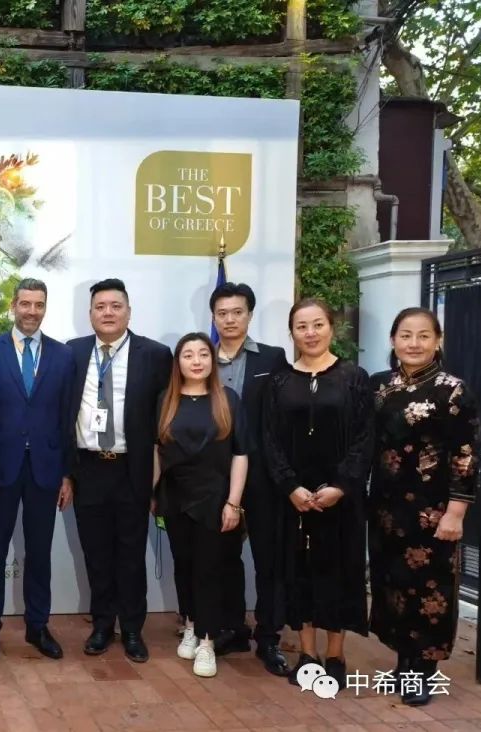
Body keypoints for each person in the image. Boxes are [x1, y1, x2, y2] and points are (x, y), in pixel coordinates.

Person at [369, 307, 479, 706]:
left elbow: (465, 455)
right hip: (386, 507)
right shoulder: (380, 386)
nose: (413, 343)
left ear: (438, 340)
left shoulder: (454, 391)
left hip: (433, 511)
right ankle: (404, 662)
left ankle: (424, 670)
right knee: (392, 584)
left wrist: (456, 512)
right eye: (405, 335)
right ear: (393, 339)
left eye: (423, 336)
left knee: (430, 588)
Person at [262, 297, 373, 690]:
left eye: (317, 325)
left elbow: (364, 437)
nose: (310, 333)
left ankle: (335, 654)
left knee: (337, 571)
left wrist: (341, 486)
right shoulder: (279, 381)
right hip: (294, 499)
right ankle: (308, 653)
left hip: (340, 499)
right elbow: (269, 439)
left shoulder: (354, 378)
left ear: (331, 328)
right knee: (298, 573)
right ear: (291, 332)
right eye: (301, 327)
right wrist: (290, 485)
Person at [68, 278, 172, 662]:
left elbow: (165, 420)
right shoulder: (73, 352)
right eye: (100, 307)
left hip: (133, 468)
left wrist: (159, 479)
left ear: (129, 311)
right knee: (96, 553)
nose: (108, 313)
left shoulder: (155, 355)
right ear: (90, 313)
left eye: (115, 306)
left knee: (130, 554)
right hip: (89, 468)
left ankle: (131, 629)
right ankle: (101, 625)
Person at [0, 278, 75, 663]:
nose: (32, 311)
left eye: (39, 304)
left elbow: (67, 418)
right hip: (0, 470)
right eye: (26, 303)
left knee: (40, 552)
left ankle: (37, 625)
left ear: (45, 307)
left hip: (46, 470)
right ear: (13, 306)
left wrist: (67, 473)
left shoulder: (64, 356)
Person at [153, 333, 248, 678]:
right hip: (174, 496)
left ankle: (207, 641)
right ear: (177, 362)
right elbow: (157, 451)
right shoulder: (166, 400)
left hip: (215, 498)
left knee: (209, 569)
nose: (196, 361)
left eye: (203, 354)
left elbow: (240, 454)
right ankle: (191, 624)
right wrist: (152, 494)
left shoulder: (228, 399)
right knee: (184, 564)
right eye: (188, 355)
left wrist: (233, 503)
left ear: (212, 360)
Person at [209, 282, 291, 675]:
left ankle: (269, 635)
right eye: (222, 313)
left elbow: (283, 417)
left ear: (249, 315)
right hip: (215, 475)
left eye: (237, 312)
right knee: (223, 557)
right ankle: (232, 628)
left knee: (267, 557)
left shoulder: (272, 358)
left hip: (262, 476)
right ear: (213, 317)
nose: (229, 319)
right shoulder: (201, 357)